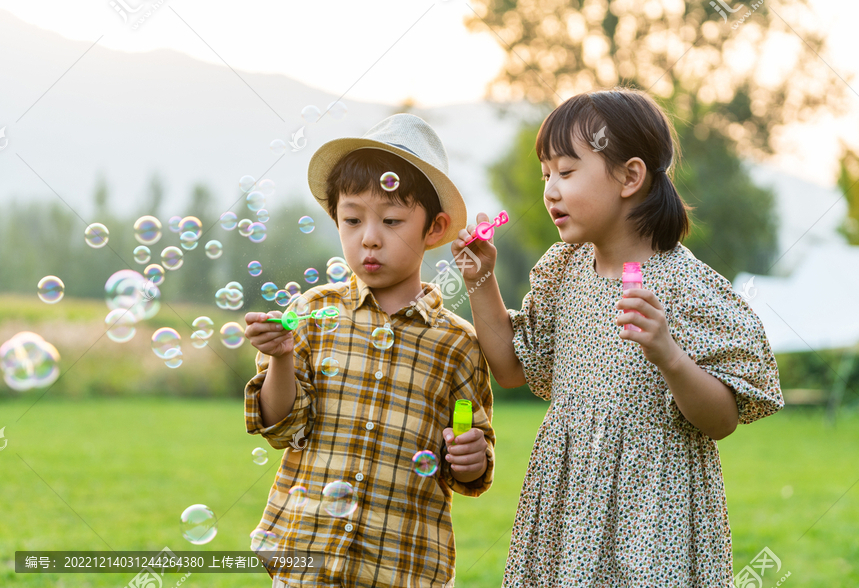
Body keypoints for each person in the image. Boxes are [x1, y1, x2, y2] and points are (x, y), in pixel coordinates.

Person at [451, 88, 784, 587]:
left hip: (654, 516)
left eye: (566, 171)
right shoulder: (561, 272)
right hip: (569, 504)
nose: (550, 190)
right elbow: (512, 369)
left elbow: (722, 421)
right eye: (546, 175)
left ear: (630, 176)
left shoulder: (685, 285)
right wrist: (480, 279)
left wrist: (668, 354)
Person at [244, 114, 495, 588]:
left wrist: (471, 457)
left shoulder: (458, 344)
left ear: (435, 228)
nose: (369, 237)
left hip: (401, 567)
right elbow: (280, 426)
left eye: (392, 220)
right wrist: (279, 357)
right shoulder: (310, 314)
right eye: (352, 219)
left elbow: (470, 453)